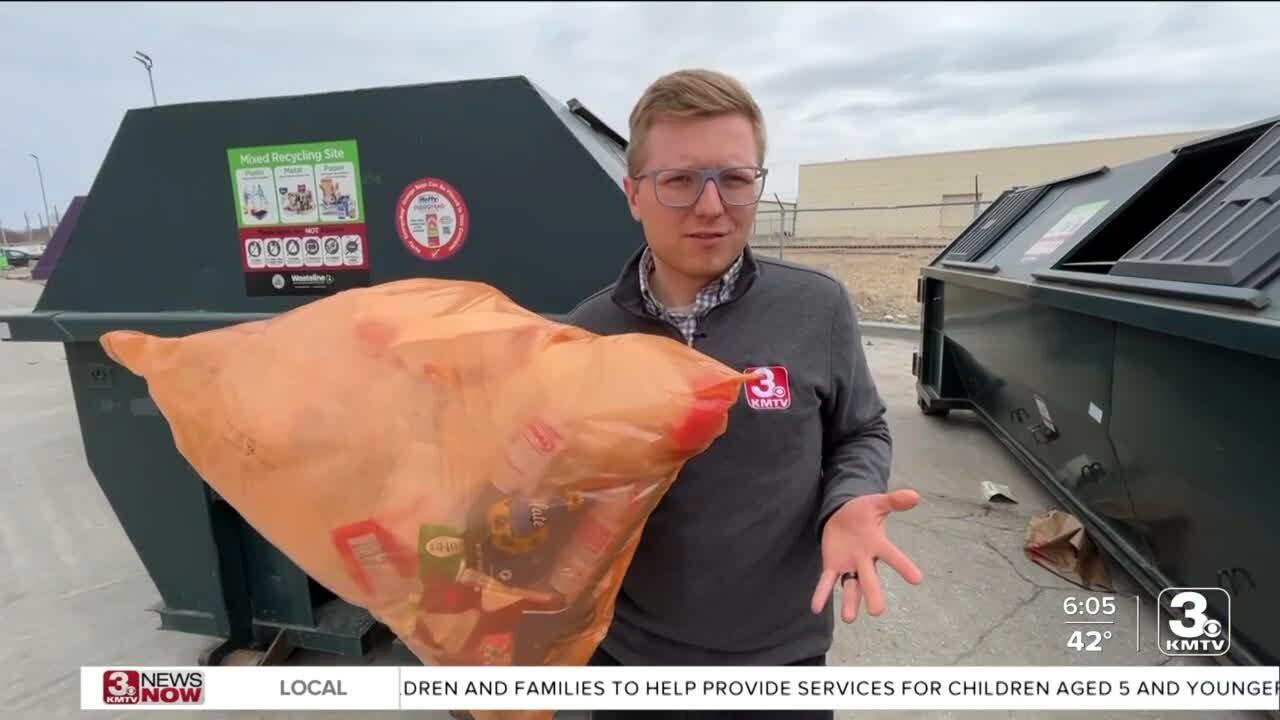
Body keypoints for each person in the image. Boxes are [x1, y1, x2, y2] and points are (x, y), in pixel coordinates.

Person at [565, 69, 925, 719]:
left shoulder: (818, 307)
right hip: (628, 660)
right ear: (633, 195)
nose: (710, 206)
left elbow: (862, 430)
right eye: (678, 180)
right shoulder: (586, 335)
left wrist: (848, 501)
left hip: (780, 661)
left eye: (734, 178)